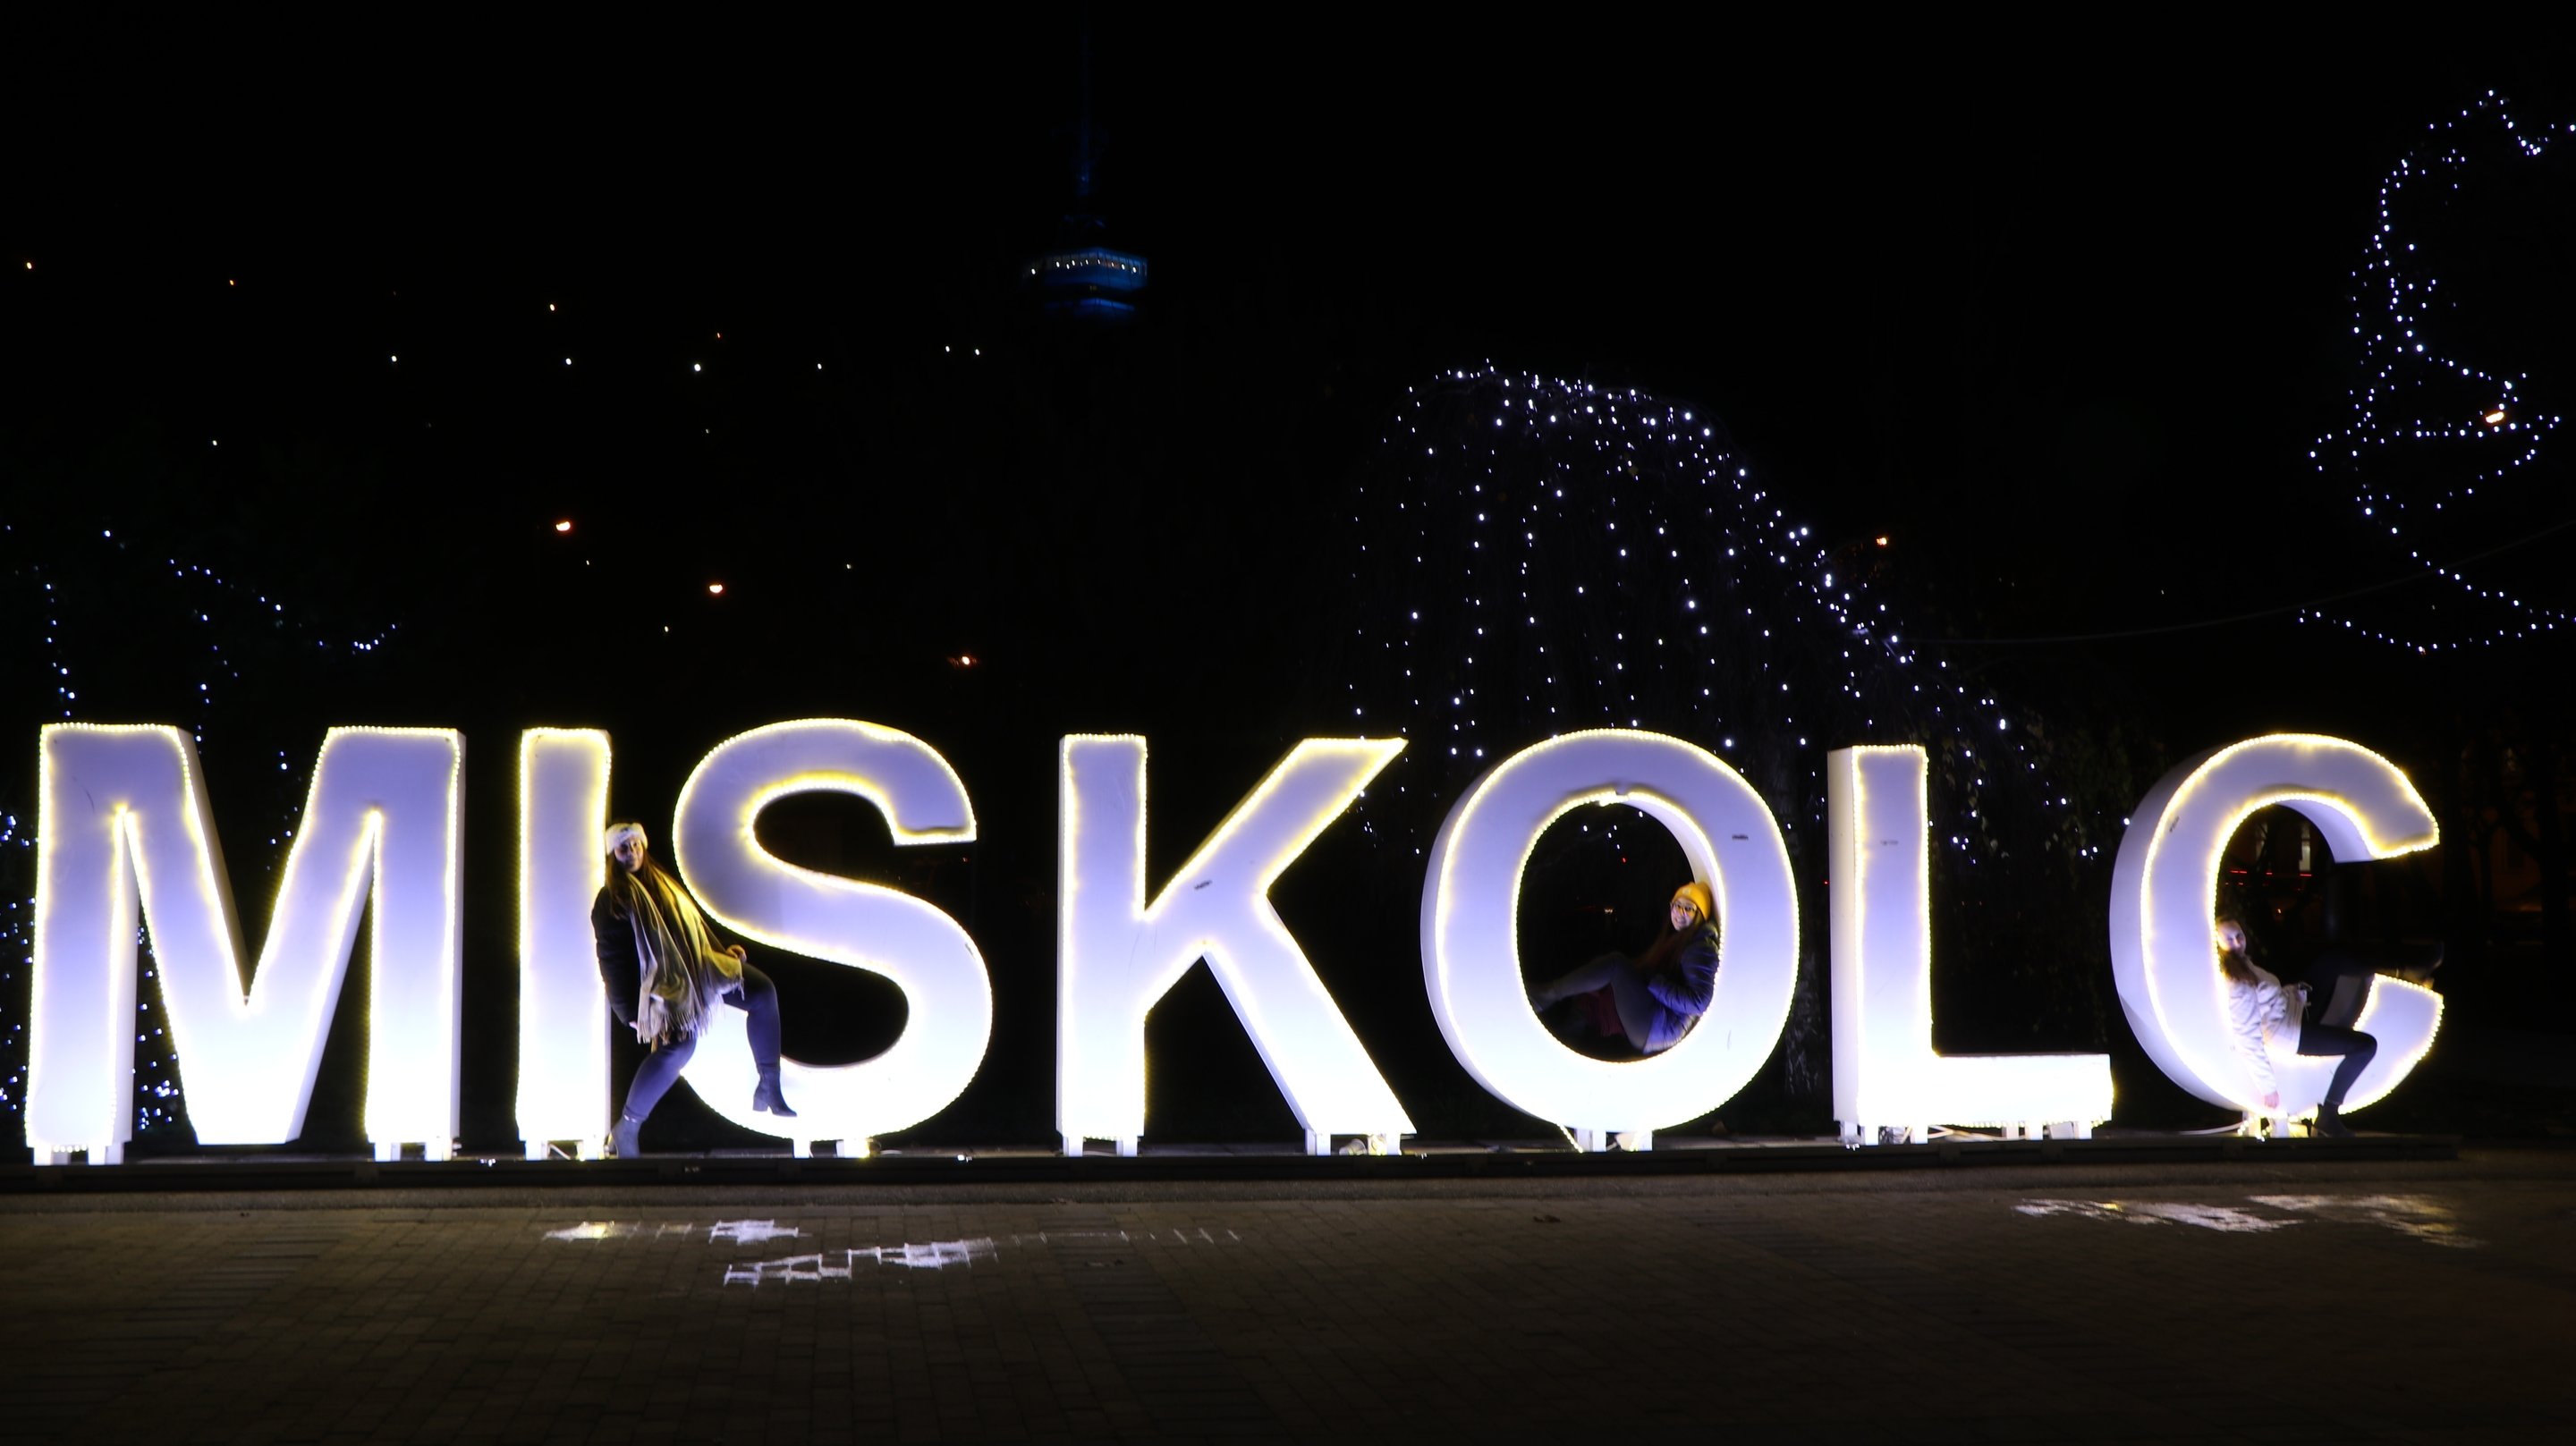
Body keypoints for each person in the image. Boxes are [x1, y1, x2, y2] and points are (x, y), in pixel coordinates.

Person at [592, 822, 794, 1157]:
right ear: (613, 855)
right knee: (680, 1048)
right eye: (623, 848)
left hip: (698, 968)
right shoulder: (611, 900)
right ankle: (627, 1127)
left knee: (761, 992)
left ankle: (769, 1085)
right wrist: (627, 1011)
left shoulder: (663, 882)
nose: (632, 852)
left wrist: (722, 952)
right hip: (661, 986)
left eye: (636, 845)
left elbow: (692, 929)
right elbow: (610, 959)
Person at [2215, 910, 2376, 1138]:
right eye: (2229, 939)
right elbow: (2246, 1034)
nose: (2237, 942)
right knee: (2365, 1046)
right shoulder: (2236, 981)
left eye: (2239, 935)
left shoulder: (2244, 965)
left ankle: (2392, 967)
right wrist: (2267, 1087)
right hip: (2288, 1033)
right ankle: (2329, 1116)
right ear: (2219, 944)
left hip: (2295, 1009)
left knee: (2332, 961)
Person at [1530, 881, 1719, 1056]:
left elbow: (1699, 1003)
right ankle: (1563, 1037)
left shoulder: (1701, 948)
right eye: (1677, 905)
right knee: (1594, 991)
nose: (1680, 913)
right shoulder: (1680, 938)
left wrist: (1654, 982)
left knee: (1616, 965)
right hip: (1658, 1018)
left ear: (1700, 915)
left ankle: (1546, 995)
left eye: (1689, 908)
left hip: (1659, 1029)